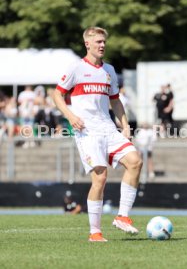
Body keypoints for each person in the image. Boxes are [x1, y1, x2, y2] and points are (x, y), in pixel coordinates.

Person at [53, 27, 143, 242]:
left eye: (104, 42)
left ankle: (122, 216)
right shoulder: (75, 68)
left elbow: (115, 101)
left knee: (135, 161)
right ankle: (95, 232)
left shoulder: (109, 70)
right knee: (100, 178)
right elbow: (57, 94)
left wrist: (125, 126)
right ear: (88, 44)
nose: (102, 45)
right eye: (98, 42)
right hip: (87, 132)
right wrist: (70, 116)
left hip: (109, 129)